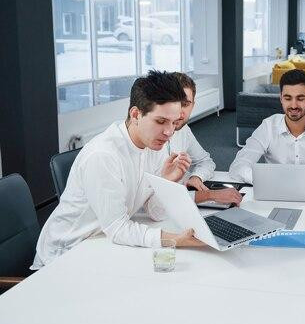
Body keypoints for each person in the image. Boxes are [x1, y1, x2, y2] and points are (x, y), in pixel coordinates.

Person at [32, 71, 205, 269]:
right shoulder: (103, 155)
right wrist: (175, 239)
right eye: (161, 121)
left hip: (102, 242)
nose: (169, 132)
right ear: (135, 114)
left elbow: (155, 213)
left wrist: (166, 181)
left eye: (174, 123)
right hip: (66, 253)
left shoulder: (154, 145)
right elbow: (118, 228)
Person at [168, 72, 241, 206]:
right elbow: (157, 199)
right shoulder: (152, 138)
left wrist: (196, 177)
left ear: (193, 105)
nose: (179, 112)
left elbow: (206, 161)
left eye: (186, 104)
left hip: (179, 204)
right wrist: (208, 195)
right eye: (174, 102)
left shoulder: (183, 130)